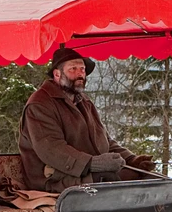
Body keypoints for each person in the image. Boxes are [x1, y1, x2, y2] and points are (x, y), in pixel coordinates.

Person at [17, 47, 155, 192]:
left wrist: (131, 160)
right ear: (57, 74)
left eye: (82, 69)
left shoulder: (84, 102)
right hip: (53, 178)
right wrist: (92, 163)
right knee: (112, 180)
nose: (80, 74)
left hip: (85, 172)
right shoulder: (39, 104)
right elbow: (52, 149)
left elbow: (104, 141)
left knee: (147, 177)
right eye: (73, 69)